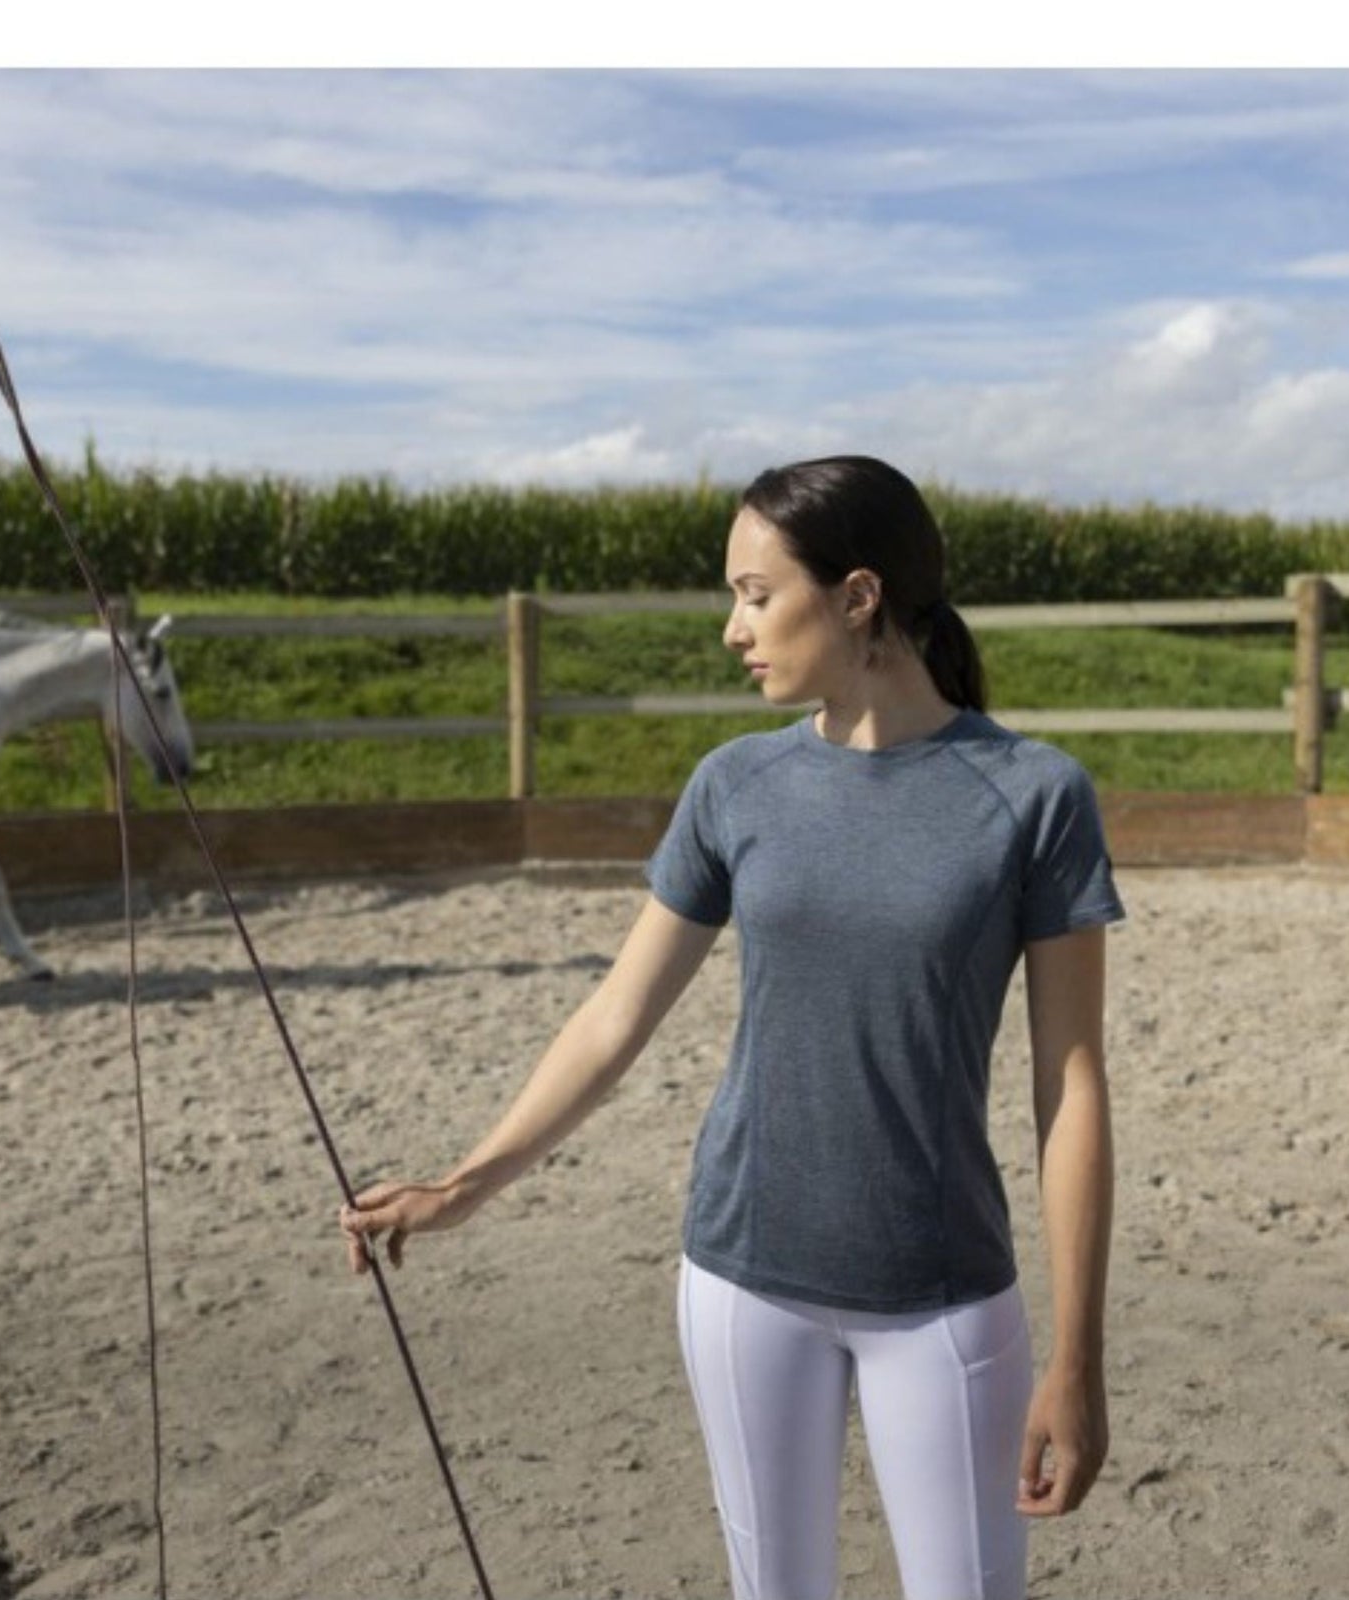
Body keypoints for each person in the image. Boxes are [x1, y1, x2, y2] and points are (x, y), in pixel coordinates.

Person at [340, 455, 1124, 1600]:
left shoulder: (1034, 794)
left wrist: (1078, 1358)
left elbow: (1073, 1089)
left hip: (944, 1296)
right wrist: (463, 1184)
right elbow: (615, 1017)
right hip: (742, 1280)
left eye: (755, 595)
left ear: (857, 597)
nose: (731, 629)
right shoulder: (733, 786)